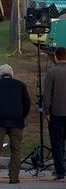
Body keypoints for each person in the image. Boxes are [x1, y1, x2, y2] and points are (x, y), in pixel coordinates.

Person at [0, 64, 31, 184]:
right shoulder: (20, 85)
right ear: (12, 74)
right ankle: (14, 177)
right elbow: (28, 103)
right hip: (16, 121)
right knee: (16, 149)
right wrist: (22, 116)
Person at [42, 47, 66, 180]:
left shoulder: (51, 73)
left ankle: (60, 171)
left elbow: (47, 95)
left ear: (56, 57)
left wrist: (46, 111)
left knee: (57, 143)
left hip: (57, 113)